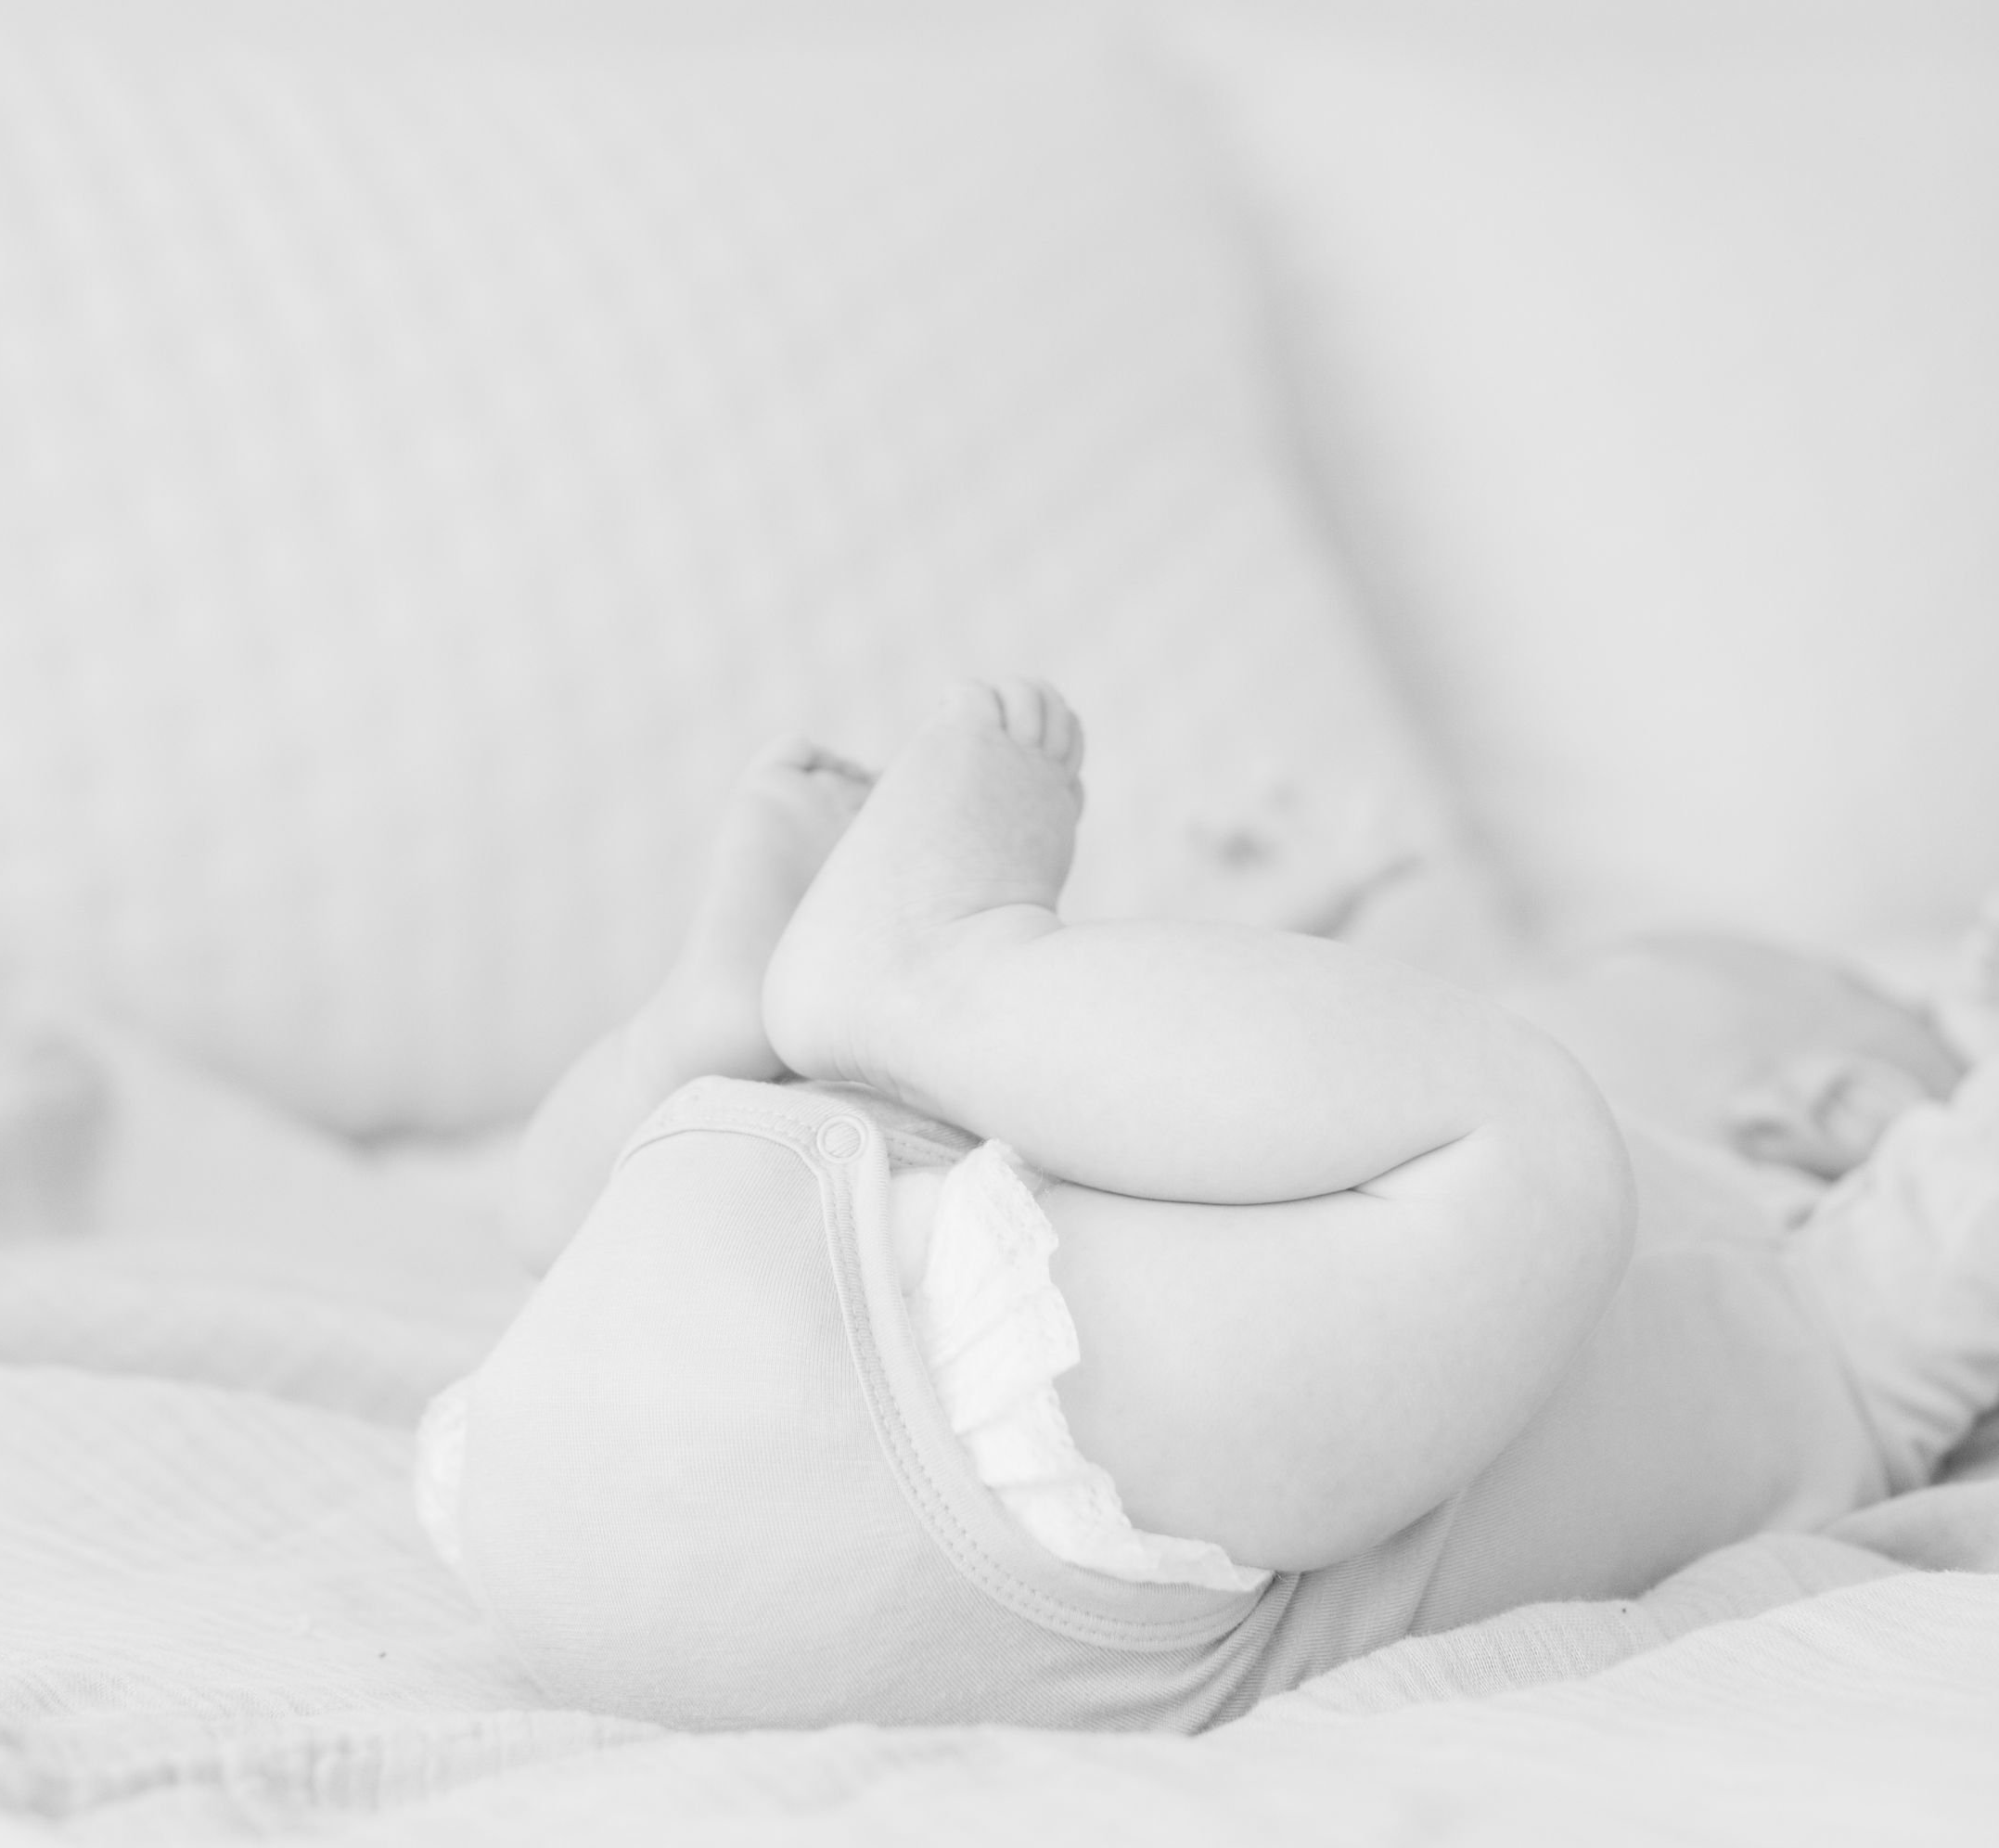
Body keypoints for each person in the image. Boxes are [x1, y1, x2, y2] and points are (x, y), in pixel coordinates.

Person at [418, 681, 1999, 1731]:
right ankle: (824, 1019)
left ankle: (828, 1011)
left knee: (1536, 1145)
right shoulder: (1238, 1267)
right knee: (1268, 1126)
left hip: (590, 1425)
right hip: (812, 1486)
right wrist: (1299, 940)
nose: (1474, 1004)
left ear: (1832, 1106)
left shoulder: (1841, 1310)